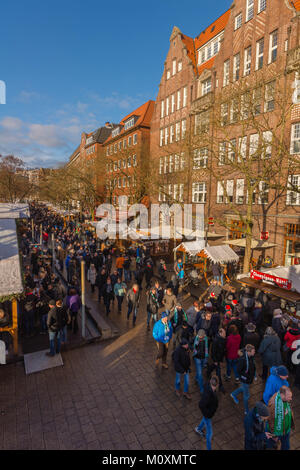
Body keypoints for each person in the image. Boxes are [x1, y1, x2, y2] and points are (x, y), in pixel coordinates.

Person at [194, 375, 219, 451]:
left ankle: (198, 429)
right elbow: (201, 405)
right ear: (216, 385)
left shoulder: (210, 389)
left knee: (204, 420)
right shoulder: (208, 394)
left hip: (208, 413)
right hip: (208, 415)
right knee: (209, 433)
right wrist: (207, 414)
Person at [230, 344, 256, 414]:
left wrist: (254, 375)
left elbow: (252, 366)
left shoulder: (250, 357)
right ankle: (246, 410)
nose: (254, 352)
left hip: (248, 379)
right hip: (245, 379)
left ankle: (233, 394)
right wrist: (244, 376)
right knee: (246, 396)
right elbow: (238, 370)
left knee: (243, 388)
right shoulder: (243, 359)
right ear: (248, 352)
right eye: (253, 351)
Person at [267, 386, 294, 450]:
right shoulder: (273, 405)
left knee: (286, 447)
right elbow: (271, 421)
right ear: (282, 395)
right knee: (271, 446)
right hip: (277, 431)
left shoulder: (284, 399)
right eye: (289, 397)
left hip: (286, 430)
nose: (291, 399)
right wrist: (274, 435)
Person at [207, 328, 226, 394]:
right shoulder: (216, 340)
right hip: (216, 359)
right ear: (220, 333)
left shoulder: (223, 339)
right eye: (224, 333)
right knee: (218, 372)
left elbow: (223, 350)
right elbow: (213, 351)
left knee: (212, 367)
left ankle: (208, 371)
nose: (225, 335)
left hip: (219, 359)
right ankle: (220, 386)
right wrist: (215, 360)